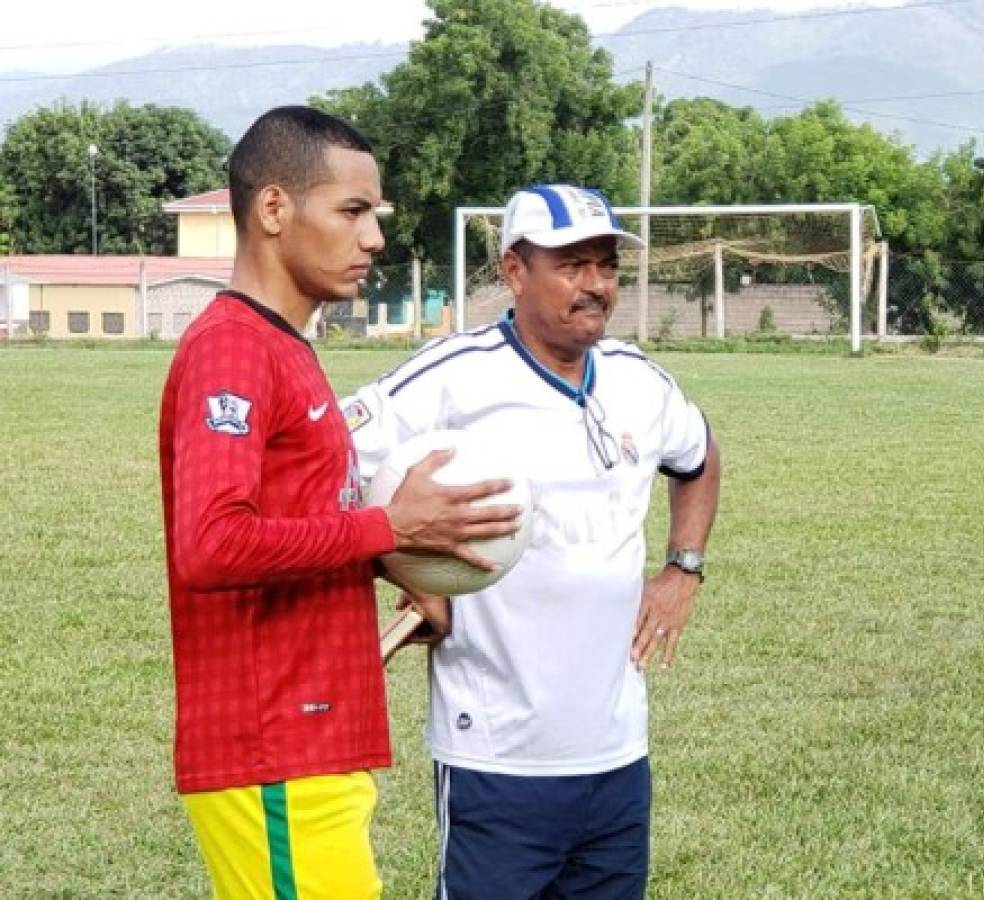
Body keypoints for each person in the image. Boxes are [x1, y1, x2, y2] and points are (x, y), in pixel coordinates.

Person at [158, 105, 520, 900]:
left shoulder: (287, 346)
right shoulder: (232, 348)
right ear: (275, 209)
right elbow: (211, 544)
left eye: (375, 215)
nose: (374, 238)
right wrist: (390, 527)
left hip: (311, 743)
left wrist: (395, 563)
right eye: (352, 211)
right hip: (271, 747)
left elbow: (297, 523)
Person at [343, 184, 722, 899]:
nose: (596, 286)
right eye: (572, 265)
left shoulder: (639, 381)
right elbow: (319, 459)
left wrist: (684, 567)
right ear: (514, 271)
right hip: (496, 758)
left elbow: (698, 457)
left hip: (617, 755)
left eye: (606, 266)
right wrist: (398, 561)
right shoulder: (454, 378)